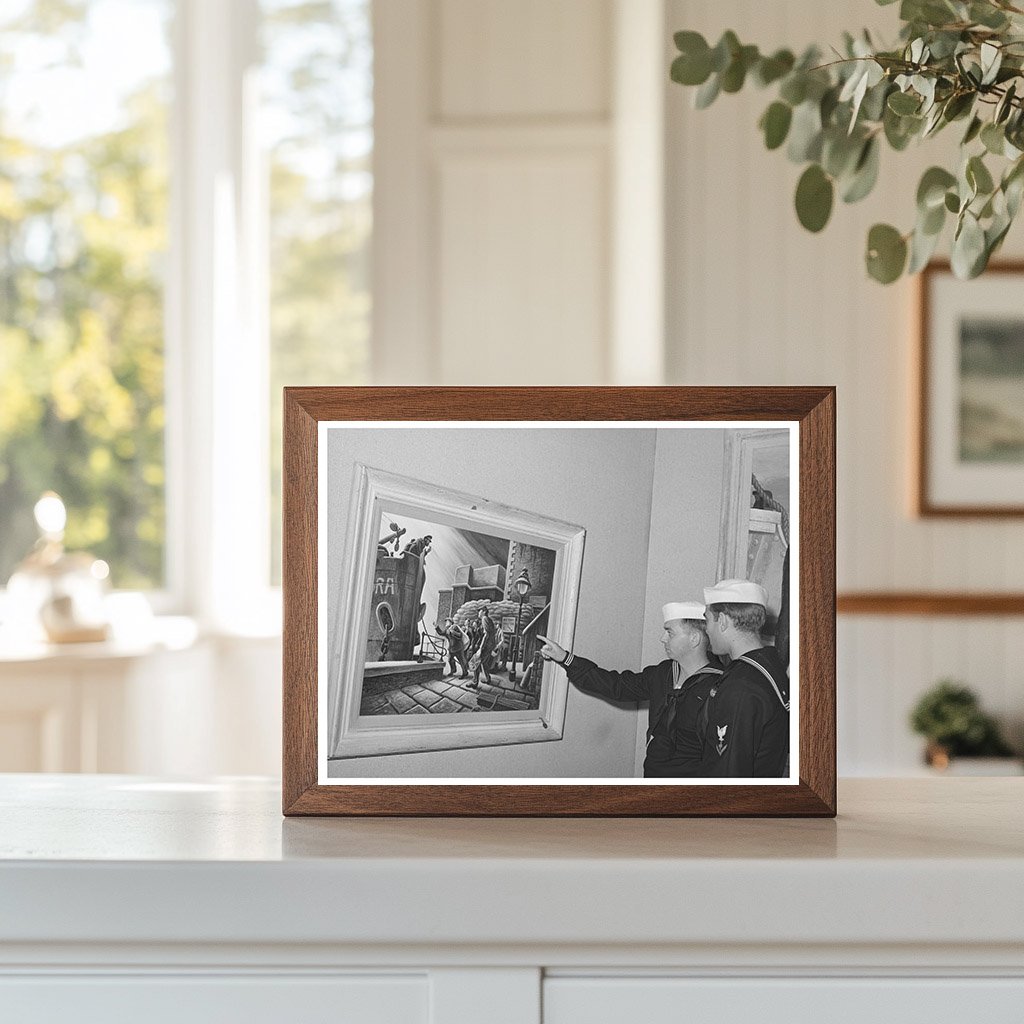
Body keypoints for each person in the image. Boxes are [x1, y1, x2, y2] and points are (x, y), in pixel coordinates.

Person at [537, 603, 723, 778]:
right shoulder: (662, 674)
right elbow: (616, 685)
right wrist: (565, 658)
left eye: (670, 633)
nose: (662, 638)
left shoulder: (720, 687)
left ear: (694, 638)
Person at [698, 578, 790, 778]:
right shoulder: (769, 666)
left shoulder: (740, 686)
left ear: (722, 621)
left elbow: (726, 775)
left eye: (707, 620)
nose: (706, 629)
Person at [468, 606, 498, 688]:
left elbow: (486, 634)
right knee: (484, 663)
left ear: (484, 612)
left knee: (475, 662)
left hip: (486, 646)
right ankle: (488, 679)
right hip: (490, 645)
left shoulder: (484, 619)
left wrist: (481, 648)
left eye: (479, 611)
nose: (478, 613)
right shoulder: (489, 620)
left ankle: (475, 682)